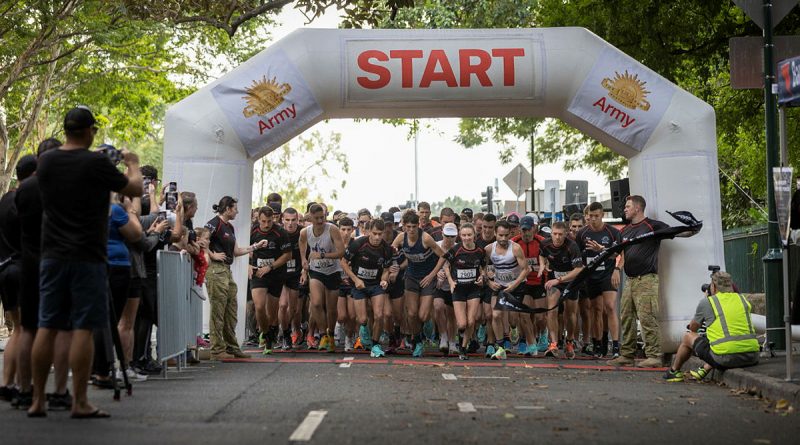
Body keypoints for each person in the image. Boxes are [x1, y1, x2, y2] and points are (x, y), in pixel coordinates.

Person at [29, 106, 143, 418]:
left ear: (65, 130)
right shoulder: (94, 162)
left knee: (47, 325)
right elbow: (134, 189)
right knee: (83, 327)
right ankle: (79, 401)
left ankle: (38, 400)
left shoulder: (47, 161)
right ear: (89, 131)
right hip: (88, 257)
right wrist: (132, 164)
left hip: (52, 255)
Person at [11, 140, 71, 411]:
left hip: (28, 264)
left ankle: (25, 390)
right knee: (59, 330)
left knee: (28, 329)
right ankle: (59, 391)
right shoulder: (61, 186)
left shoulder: (23, 190)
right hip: (56, 263)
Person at [608, 195, 670, 368]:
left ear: (637, 208)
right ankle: (627, 354)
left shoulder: (653, 225)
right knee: (626, 315)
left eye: (628, 206)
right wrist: (605, 253)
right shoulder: (624, 232)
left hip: (647, 279)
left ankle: (655, 356)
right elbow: (618, 254)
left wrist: (691, 229)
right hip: (630, 280)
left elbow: (675, 232)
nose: (625, 209)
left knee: (647, 317)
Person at [664, 271, 759, 382]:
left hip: (725, 359)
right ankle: (704, 369)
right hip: (752, 356)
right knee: (721, 342)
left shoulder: (708, 302)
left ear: (713, 286)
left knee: (688, 337)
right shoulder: (743, 299)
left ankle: (674, 371)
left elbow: (693, 329)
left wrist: (706, 300)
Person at [205, 196, 266, 360]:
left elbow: (236, 251)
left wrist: (255, 246)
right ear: (227, 209)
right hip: (216, 271)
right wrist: (212, 254)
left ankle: (231, 347)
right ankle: (217, 350)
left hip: (226, 270)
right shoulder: (214, 223)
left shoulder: (229, 227)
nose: (237, 211)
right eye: (235, 208)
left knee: (231, 309)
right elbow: (200, 240)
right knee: (218, 311)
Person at [0, 156, 34, 403]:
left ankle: (5, 383)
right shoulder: (28, 202)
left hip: (4, 270)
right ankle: (24, 386)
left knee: (17, 330)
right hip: (22, 268)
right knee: (26, 332)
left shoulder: (5, 200)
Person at [392, 211, 446, 357]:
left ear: (419, 226)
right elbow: (389, 251)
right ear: (403, 226)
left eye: (414, 227)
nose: (411, 230)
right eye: (408, 226)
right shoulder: (400, 238)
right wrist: (393, 264)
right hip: (411, 276)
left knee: (422, 315)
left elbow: (443, 256)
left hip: (427, 277)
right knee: (411, 313)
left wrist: (432, 275)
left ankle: (425, 327)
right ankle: (417, 340)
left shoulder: (426, 238)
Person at [341, 218, 393, 358]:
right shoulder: (358, 244)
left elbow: (387, 269)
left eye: (380, 234)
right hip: (359, 284)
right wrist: (355, 279)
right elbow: (344, 262)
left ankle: (375, 345)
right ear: (369, 231)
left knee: (379, 315)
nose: (377, 237)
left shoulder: (387, 249)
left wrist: (384, 279)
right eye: (374, 233)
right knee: (362, 319)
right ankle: (363, 329)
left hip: (376, 285)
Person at [577, 202, 623, 358]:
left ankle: (615, 345)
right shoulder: (582, 233)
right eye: (590, 216)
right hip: (591, 276)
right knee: (597, 310)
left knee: (609, 307)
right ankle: (599, 342)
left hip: (607, 274)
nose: (593, 219)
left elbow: (618, 254)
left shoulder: (611, 232)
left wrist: (602, 251)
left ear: (603, 215)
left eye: (596, 216)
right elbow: (578, 256)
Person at [299, 203, 346, 353]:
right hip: (316, 271)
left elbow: (341, 253)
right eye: (317, 218)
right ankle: (323, 334)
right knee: (316, 303)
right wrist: (303, 260)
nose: (320, 221)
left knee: (332, 309)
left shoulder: (332, 229)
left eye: (323, 217)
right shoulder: (305, 232)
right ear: (310, 217)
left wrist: (322, 255)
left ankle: (331, 334)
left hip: (332, 271)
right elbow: (302, 244)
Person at [484, 220, 530, 360]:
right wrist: (489, 282)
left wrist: (514, 285)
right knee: (496, 315)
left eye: (506, 235)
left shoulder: (515, 248)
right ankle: (500, 347)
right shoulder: (488, 249)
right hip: (499, 285)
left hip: (516, 285)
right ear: (495, 234)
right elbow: (481, 268)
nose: (503, 239)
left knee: (513, 318)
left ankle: (514, 328)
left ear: (510, 234)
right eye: (500, 235)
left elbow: (525, 269)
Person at [539, 221, 584, 359]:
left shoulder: (572, 246)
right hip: (555, 280)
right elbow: (542, 254)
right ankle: (553, 342)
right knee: (551, 310)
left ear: (566, 234)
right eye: (554, 234)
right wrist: (542, 265)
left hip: (570, 281)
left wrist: (559, 280)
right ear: (551, 233)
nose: (557, 237)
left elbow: (579, 269)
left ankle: (569, 341)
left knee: (570, 314)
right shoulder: (545, 243)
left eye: (560, 234)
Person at [249, 206, 291, 354]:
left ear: (274, 218)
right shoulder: (252, 231)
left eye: (269, 221)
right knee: (259, 306)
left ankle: (269, 331)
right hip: (258, 273)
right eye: (263, 221)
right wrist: (248, 265)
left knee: (271, 313)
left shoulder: (281, 233)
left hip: (276, 274)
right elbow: (245, 249)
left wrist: (270, 267)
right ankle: (266, 335)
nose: (266, 224)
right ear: (258, 219)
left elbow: (287, 255)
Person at [443, 223, 485, 360]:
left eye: (469, 235)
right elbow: (446, 266)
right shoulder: (455, 250)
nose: (467, 238)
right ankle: (460, 336)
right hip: (458, 289)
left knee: (471, 321)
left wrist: (482, 277)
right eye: (464, 235)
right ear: (460, 236)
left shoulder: (480, 251)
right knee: (462, 323)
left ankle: (463, 348)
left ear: (474, 235)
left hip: (473, 288)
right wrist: (450, 281)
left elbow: (483, 267)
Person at [510, 215, 546, 356]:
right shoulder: (514, 242)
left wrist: (540, 267)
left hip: (538, 283)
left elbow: (549, 260)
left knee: (540, 317)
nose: (525, 233)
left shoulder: (542, 242)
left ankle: (543, 332)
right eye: (523, 230)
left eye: (528, 230)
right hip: (523, 283)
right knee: (524, 315)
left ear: (534, 229)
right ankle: (531, 345)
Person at [433, 223, 458, 356]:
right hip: (439, 285)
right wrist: (436, 273)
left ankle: (452, 341)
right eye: (447, 236)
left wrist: (451, 276)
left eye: (452, 237)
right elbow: (429, 264)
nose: (449, 239)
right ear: (442, 234)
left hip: (454, 285)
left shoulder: (459, 248)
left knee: (451, 314)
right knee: (438, 307)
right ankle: (443, 336)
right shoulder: (435, 246)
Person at [280, 208, 304, 348]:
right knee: (283, 305)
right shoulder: (278, 232)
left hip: (296, 273)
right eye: (287, 220)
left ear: (297, 220)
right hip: (281, 273)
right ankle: (284, 334)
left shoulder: (303, 232)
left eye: (293, 220)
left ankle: (291, 329)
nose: (290, 223)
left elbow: (308, 253)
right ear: (282, 219)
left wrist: (304, 271)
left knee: (294, 309)